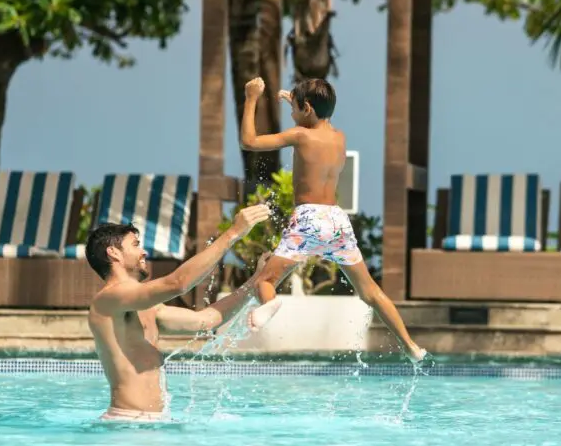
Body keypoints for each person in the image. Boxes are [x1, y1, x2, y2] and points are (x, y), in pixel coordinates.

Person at [238, 76, 427, 364]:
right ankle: (410, 345)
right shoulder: (339, 137)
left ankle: (271, 303)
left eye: (295, 109)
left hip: (308, 219)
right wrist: (296, 101)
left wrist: (251, 97)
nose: (292, 115)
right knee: (370, 292)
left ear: (308, 109)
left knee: (264, 280)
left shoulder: (300, 135)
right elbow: (315, 121)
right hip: (336, 221)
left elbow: (249, 142)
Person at [85, 204, 278, 423]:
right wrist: (233, 233)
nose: (144, 251)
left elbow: (207, 320)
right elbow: (178, 283)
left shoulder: (149, 308)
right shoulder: (107, 301)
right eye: (136, 245)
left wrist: (255, 281)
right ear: (113, 253)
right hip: (125, 423)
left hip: (153, 422)